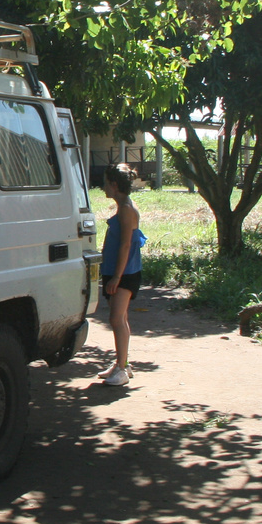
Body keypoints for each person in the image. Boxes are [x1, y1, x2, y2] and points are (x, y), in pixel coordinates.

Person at [97, 162, 145, 387]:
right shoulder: (124, 205)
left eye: (106, 183)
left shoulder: (126, 209)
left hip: (124, 273)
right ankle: (121, 363)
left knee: (116, 318)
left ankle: (123, 369)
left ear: (114, 185)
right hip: (118, 270)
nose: (103, 187)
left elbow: (126, 245)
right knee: (121, 318)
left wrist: (117, 277)